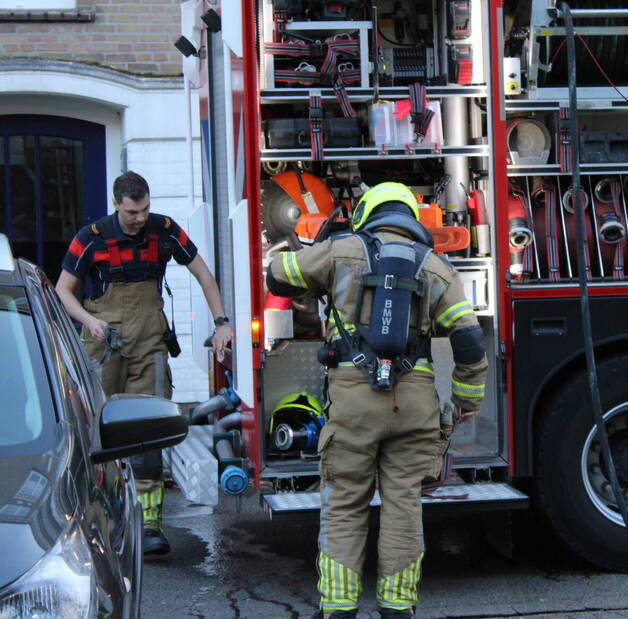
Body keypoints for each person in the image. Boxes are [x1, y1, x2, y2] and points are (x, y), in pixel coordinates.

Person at [266, 182, 487, 619]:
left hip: (353, 403)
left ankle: (340, 607)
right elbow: (468, 336)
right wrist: (466, 395)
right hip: (415, 405)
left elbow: (279, 277)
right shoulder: (437, 267)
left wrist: (293, 253)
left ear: (368, 212)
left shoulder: (342, 249)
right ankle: (398, 607)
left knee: (345, 501)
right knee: (404, 503)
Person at [55, 171, 233, 556]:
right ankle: (99, 521)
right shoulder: (91, 239)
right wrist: (89, 321)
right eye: (134, 211)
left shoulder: (164, 231)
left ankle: (150, 524)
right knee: (98, 433)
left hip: (151, 343)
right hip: (104, 345)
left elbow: (203, 273)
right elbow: (62, 291)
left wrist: (222, 322)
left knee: (148, 432)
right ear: (117, 203)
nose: (141, 217)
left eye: (145, 209)